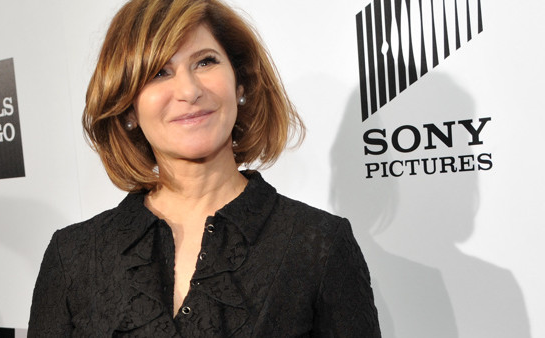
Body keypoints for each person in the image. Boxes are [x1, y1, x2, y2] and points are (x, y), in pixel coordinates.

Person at [28, 0, 381, 336]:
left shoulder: (318, 244)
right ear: (128, 109)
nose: (188, 89)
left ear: (239, 84)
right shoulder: (72, 255)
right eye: (159, 72)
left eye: (205, 62)